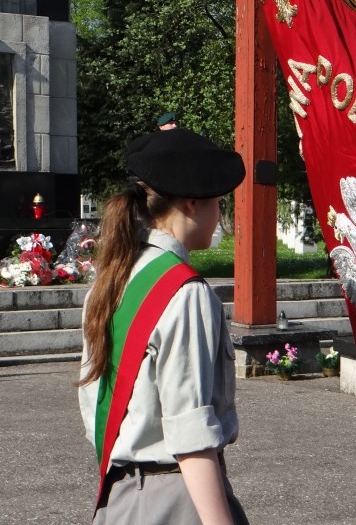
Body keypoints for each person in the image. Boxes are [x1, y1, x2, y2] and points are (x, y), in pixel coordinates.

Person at [78, 128, 248, 524]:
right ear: (192, 203)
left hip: (118, 500)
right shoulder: (186, 293)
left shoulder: (112, 280)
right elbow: (191, 437)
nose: (220, 215)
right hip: (178, 499)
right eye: (219, 203)